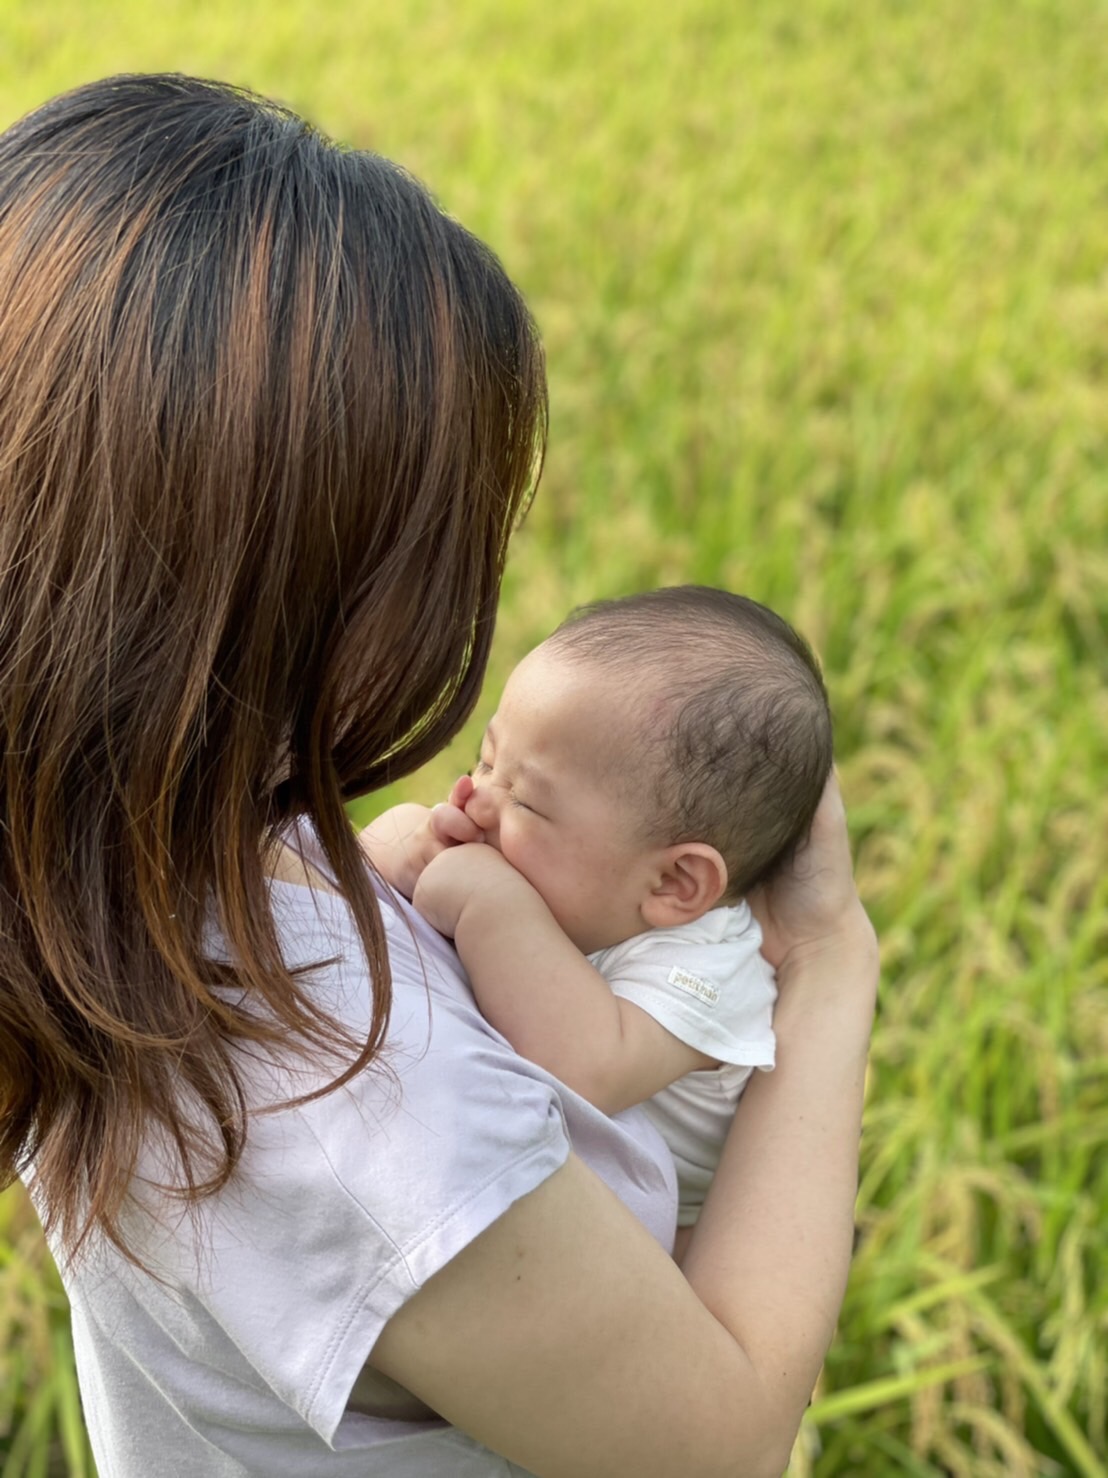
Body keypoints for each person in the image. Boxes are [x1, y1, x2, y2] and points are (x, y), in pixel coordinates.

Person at [0, 73, 878, 1478]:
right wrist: (827, 967)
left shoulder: (95, 866)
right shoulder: (343, 1075)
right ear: (297, 585)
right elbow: (718, 1445)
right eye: (440, 537)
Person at [362, 586, 833, 1236]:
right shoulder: (568, 883)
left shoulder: (711, 965)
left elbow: (585, 1065)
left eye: (527, 803)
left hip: (671, 1268)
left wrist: (488, 903)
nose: (478, 798)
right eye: (489, 759)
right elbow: (342, 882)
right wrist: (405, 845)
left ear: (674, 883)